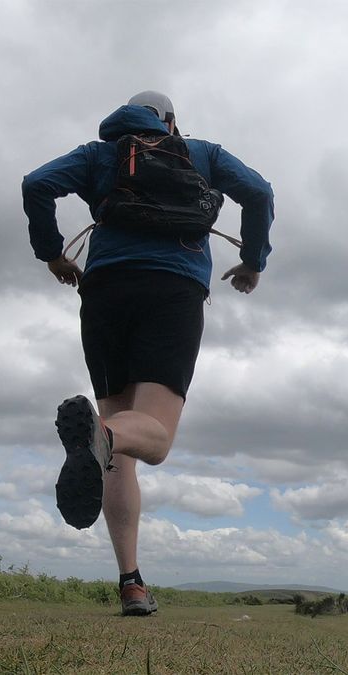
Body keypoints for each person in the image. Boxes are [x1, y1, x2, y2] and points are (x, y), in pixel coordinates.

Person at [21, 90, 274, 616]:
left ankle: (131, 583)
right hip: (173, 292)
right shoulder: (203, 153)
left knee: (113, 455)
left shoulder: (100, 153)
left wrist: (52, 254)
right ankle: (103, 434)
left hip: (106, 292)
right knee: (151, 439)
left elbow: (37, 184)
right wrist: (252, 260)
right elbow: (259, 192)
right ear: (173, 122)